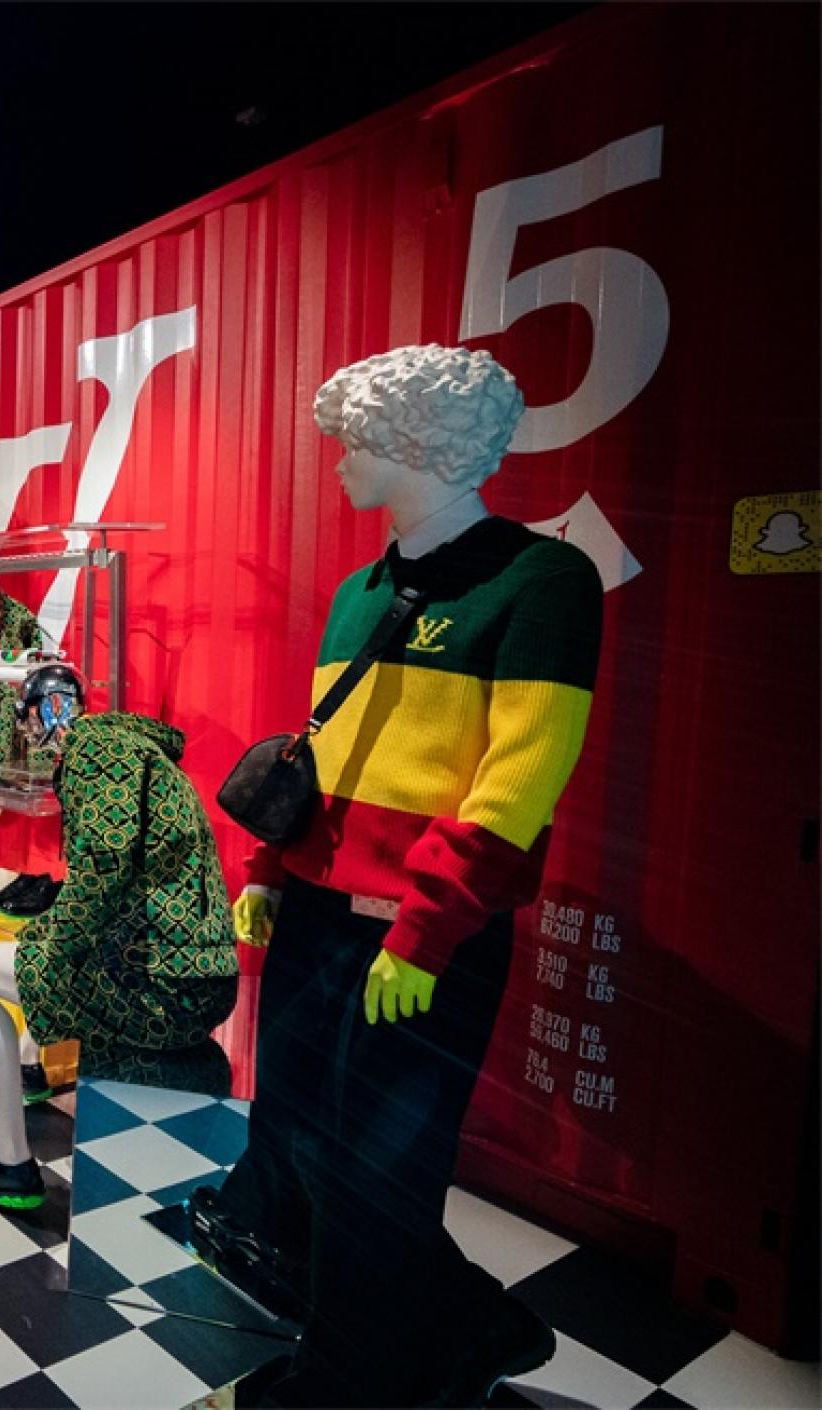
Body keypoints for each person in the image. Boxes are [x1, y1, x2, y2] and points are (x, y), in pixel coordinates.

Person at [197, 345, 603, 1407]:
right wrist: (271, 870)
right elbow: (327, 752)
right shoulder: (360, 592)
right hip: (320, 918)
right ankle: (455, 1326)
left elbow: (518, 782)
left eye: (356, 441)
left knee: (382, 1161)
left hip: (421, 934)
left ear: (420, 444)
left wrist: (426, 930)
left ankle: (355, 1378)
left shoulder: (542, 583)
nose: (339, 460)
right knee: (297, 1130)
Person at [0, 663, 240, 1210]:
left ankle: (10, 1162)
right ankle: (31, 1068)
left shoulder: (95, 750)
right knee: (44, 955)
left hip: (162, 981)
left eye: (27, 719)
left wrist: (47, 939)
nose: (28, 735)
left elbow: (103, 868)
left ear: (49, 709)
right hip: (185, 968)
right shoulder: (131, 748)